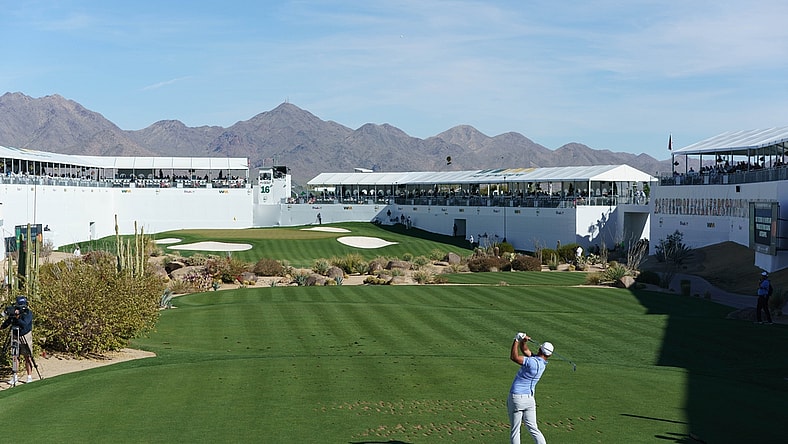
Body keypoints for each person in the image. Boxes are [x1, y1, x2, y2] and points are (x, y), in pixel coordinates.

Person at [508, 332, 552, 444]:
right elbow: (525, 350)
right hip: (529, 400)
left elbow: (514, 357)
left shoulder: (532, 362)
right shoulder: (541, 364)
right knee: (534, 429)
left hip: (517, 397)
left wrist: (516, 340)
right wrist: (524, 342)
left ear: (540, 349)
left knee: (515, 430)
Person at [1, 296, 35, 384]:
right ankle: (15, 377)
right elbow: (8, 322)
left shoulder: (27, 313)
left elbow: (24, 324)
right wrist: (2, 327)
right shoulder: (15, 312)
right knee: (15, 356)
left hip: (25, 335)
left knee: (27, 356)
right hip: (15, 334)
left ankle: (29, 377)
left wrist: (18, 318)